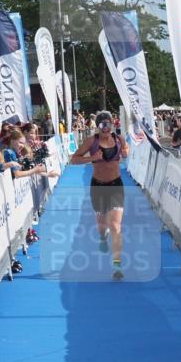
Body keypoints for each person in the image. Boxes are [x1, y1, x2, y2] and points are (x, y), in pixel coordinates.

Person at [70, 111, 130, 280]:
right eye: (102, 124)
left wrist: (126, 151)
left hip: (116, 186)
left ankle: (117, 266)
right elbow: (74, 159)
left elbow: (126, 151)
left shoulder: (119, 140)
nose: (105, 127)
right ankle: (103, 238)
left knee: (116, 226)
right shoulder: (92, 142)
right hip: (98, 187)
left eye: (108, 123)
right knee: (102, 225)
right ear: (98, 126)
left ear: (112, 124)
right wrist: (92, 158)